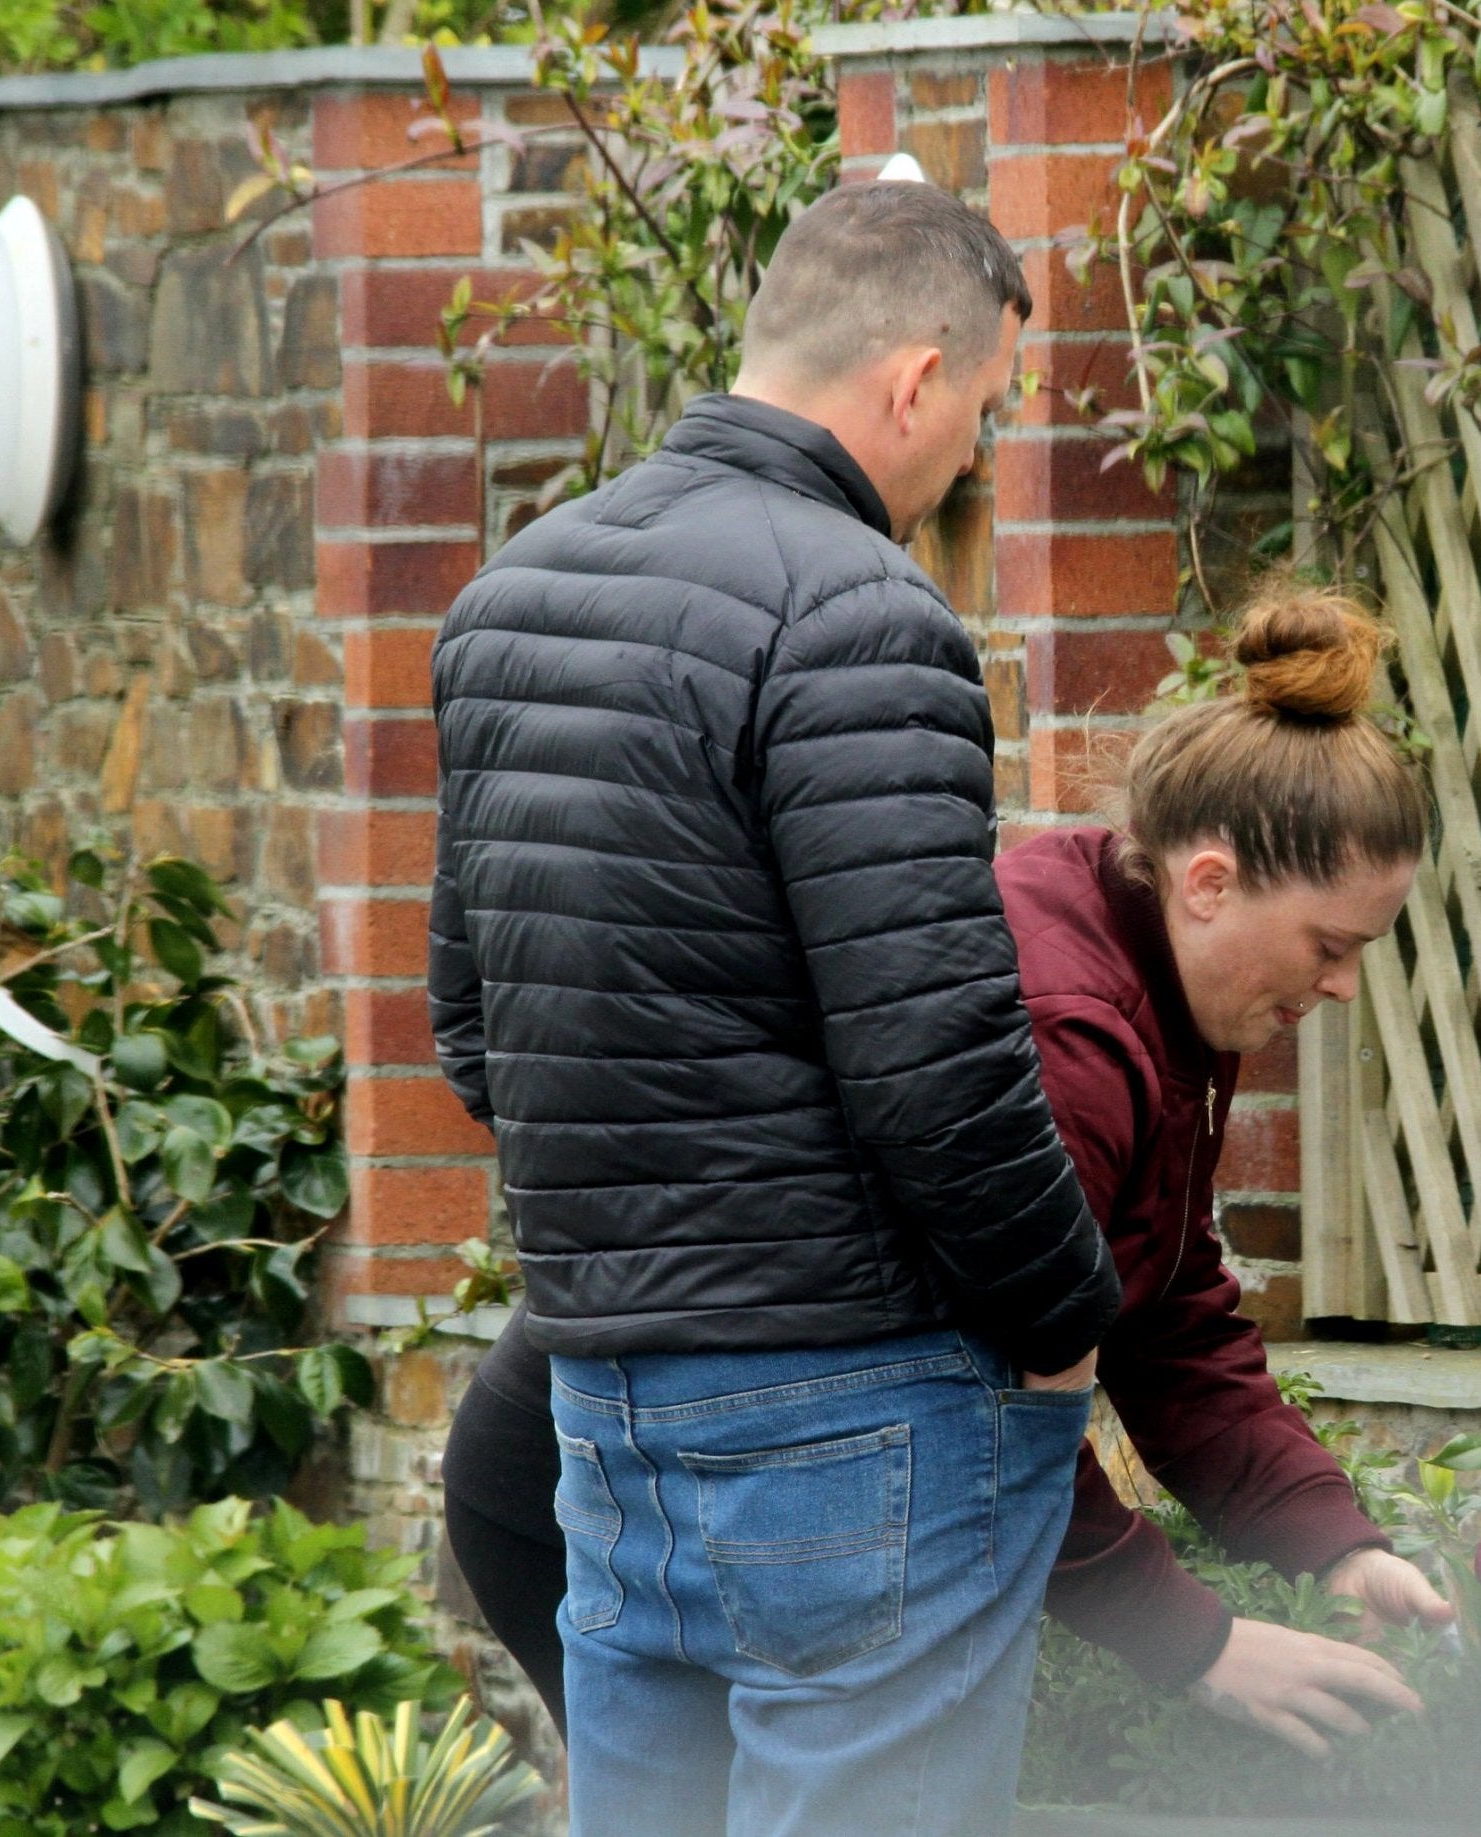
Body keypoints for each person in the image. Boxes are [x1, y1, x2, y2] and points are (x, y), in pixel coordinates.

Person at [443, 584, 1456, 1781]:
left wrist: (1333, 1541)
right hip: (597, 1485)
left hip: (704, 1457)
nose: (1340, 987)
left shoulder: (1151, 965)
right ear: (1208, 882)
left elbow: (1163, 1308)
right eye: (1328, 946)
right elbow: (982, 1412)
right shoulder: (1066, 1031)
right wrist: (1198, 1645)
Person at [427, 181, 1122, 1837]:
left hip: (605, 1410)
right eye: (980, 408)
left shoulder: (507, 599)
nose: (971, 454)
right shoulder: (866, 620)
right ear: (910, 380)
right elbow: (933, 1067)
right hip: (849, 1412)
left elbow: (472, 1035)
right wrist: (1065, 1315)